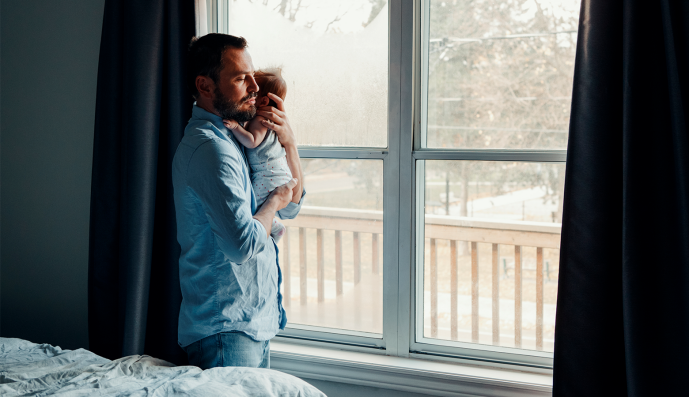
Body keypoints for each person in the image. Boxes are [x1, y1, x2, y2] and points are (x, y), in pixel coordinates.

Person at [172, 33, 305, 369]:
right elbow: (242, 246)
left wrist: (290, 145)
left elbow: (294, 204)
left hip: (252, 321)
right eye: (241, 78)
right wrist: (274, 200)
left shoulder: (238, 139)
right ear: (205, 86)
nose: (255, 88)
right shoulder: (212, 149)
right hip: (224, 329)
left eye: (252, 75)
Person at [222, 68, 291, 243]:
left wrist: (236, 127)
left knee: (254, 212)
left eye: (253, 92)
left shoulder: (261, 120)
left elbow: (252, 141)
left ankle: (276, 228)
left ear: (264, 100)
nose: (249, 92)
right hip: (274, 173)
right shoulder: (264, 118)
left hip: (270, 175)